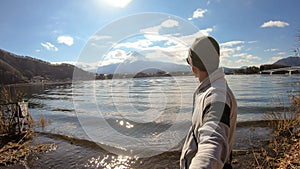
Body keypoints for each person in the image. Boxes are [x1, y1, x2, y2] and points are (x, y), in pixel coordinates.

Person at [180, 36, 237, 169]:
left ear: (193, 66)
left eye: (188, 60)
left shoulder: (216, 96)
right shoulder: (212, 90)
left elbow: (212, 145)